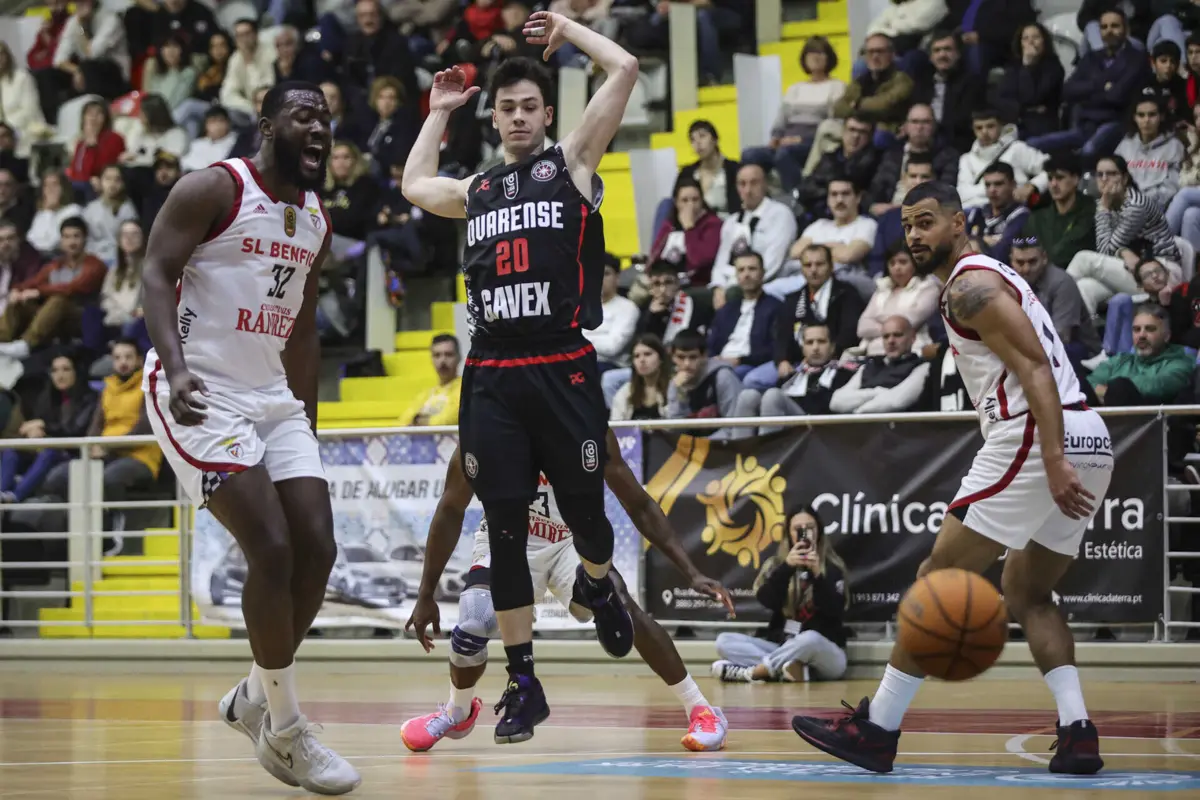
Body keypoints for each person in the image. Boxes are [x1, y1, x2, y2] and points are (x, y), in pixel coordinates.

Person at [791, 181, 1113, 776]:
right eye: (907, 224)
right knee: (1027, 591)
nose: (914, 234)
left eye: (926, 222)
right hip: (1088, 434)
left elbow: (1036, 368)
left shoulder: (968, 286)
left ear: (959, 222)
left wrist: (1050, 457)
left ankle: (878, 728)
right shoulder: (985, 279)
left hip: (1039, 434)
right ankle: (1078, 733)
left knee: (933, 580)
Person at [400, 11, 641, 744]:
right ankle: (524, 681)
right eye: (504, 108)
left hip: (561, 363)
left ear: (546, 113)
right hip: (494, 372)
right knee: (503, 530)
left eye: (528, 106)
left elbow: (625, 68)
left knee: (588, 518)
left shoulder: (569, 163)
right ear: (494, 117)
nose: (515, 117)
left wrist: (568, 27)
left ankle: (597, 585)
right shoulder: (475, 190)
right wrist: (439, 113)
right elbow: (413, 182)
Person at [139, 80, 360, 794]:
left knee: (318, 548)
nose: (320, 128)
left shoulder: (316, 220)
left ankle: (251, 698)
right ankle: (287, 734)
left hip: (272, 396)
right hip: (200, 388)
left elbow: (301, 330)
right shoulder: (214, 189)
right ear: (267, 125)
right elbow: (154, 271)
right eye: (305, 116)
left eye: (326, 119)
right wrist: (174, 370)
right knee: (270, 546)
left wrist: (308, 429)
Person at [401, 428, 735, 752]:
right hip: (503, 539)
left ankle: (701, 709)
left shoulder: (584, 424)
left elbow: (639, 503)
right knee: (473, 624)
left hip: (568, 540)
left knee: (620, 606)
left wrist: (690, 572)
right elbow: (450, 509)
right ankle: (457, 712)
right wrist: (425, 592)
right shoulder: (483, 431)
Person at [711, 505, 848, 683]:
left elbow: (835, 609)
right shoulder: (776, 565)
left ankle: (755, 672)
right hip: (783, 647)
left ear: (819, 532)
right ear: (789, 534)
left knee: (809, 639)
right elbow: (767, 600)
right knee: (724, 641)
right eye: (798, 529)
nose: (805, 533)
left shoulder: (833, 567)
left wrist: (818, 576)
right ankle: (793, 672)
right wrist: (787, 568)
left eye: (810, 528)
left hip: (825, 653)